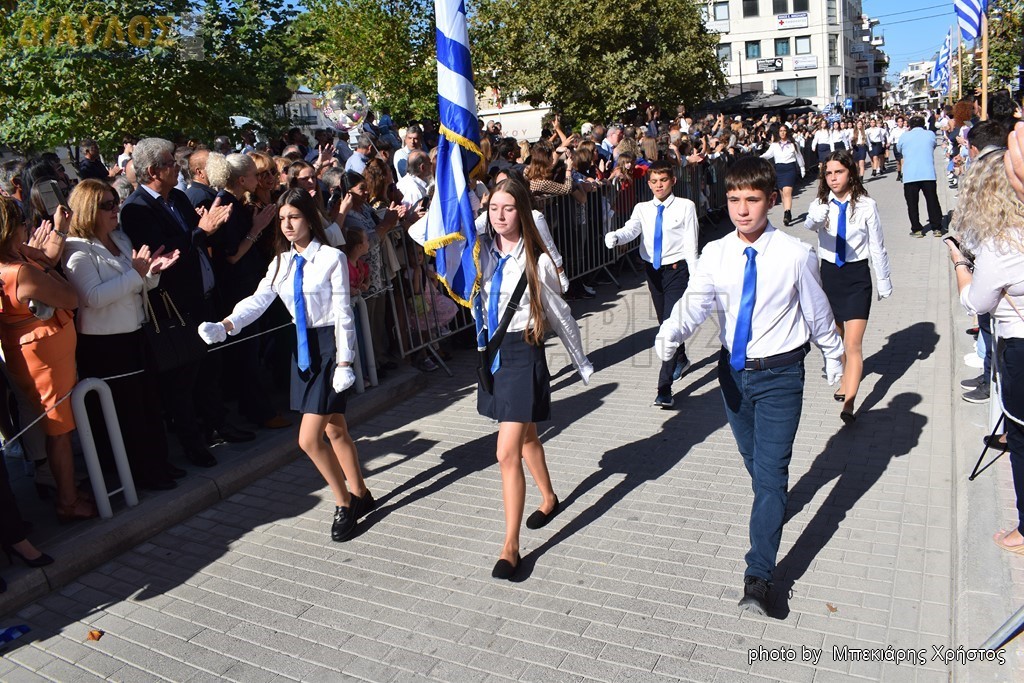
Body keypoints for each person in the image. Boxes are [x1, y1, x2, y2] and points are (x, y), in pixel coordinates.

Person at [655, 156, 844, 615]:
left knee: (772, 474)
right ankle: (771, 506)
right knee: (755, 465)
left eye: (753, 200)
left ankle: (759, 575)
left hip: (781, 375)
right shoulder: (717, 253)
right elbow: (695, 303)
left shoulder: (796, 254)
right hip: (733, 375)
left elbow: (818, 313)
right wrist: (669, 333)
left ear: (768, 199)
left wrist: (834, 356)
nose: (743, 210)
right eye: (735, 200)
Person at [198, 189, 372, 542]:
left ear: (309, 218)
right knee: (334, 429)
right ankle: (362, 494)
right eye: (282, 219)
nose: (287, 224)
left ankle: (344, 503)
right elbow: (257, 302)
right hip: (304, 350)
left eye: (294, 217)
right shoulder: (280, 263)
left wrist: (344, 361)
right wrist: (226, 326)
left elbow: (343, 314)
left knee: (309, 439)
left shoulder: (330, 259)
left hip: (328, 348)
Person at [476, 178, 593, 580]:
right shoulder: (482, 254)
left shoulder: (536, 259)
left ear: (522, 212)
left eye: (508, 208)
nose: (500, 216)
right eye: (493, 209)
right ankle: (549, 497)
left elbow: (560, 312)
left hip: (523, 352)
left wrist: (581, 361)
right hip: (493, 356)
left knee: (505, 452)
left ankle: (510, 547)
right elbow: (426, 235)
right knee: (526, 438)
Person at [119, 137, 250, 469]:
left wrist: (212, 225)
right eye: (170, 163)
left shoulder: (175, 197)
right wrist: (201, 230)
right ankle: (194, 444)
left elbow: (197, 236)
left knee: (210, 368)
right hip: (176, 304)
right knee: (183, 380)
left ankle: (218, 425)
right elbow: (163, 251)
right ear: (152, 171)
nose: (177, 168)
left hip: (203, 294)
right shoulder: (136, 209)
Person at [63, 179, 182, 491]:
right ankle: (140, 475)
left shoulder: (119, 236)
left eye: (115, 200)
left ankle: (157, 465)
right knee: (126, 413)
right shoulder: (76, 250)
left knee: (147, 404)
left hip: (135, 333)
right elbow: (93, 297)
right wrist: (137, 274)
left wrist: (153, 272)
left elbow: (138, 284)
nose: (115, 208)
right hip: (106, 344)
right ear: (88, 210)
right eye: (106, 204)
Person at [945, 146, 1024, 554]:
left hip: (1019, 349)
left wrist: (959, 262)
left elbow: (976, 303)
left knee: (1021, 439)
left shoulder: (1003, 244)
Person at [0, 197, 97, 522]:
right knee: (59, 430)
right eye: (22, 223)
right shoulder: (20, 271)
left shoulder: (16, 259)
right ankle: (67, 502)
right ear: (11, 229)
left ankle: (66, 489)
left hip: (39, 353)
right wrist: (52, 275)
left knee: (59, 427)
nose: (28, 227)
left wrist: (57, 230)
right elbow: (70, 296)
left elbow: (50, 257)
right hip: (43, 360)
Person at [803, 151, 892, 423]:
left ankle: (850, 404)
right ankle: (844, 379)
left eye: (838, 172)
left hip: (856, 277)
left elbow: (877, 245)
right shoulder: (820, 204)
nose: (833, 178)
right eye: (828, 173)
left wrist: (884, 280)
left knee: (853, 344)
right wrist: (815, 217)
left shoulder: (867, 204)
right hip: (829, 276)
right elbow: (809, 226)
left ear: (850, 173)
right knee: (837, 340)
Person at [604, 160, 697, 408]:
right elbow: (631, 230)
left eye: (663, 180)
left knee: (668, 326)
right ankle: (681, 358)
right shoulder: (642, 208)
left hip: (677, 271)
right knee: (666, 322)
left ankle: (664, 388)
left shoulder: (686, 207)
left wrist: (697, 277)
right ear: (648, 183)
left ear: (673, 181)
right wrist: (615, 236)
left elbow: (691, 244)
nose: (659, 185)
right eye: (654, 181)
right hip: (653, 273)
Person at [897, 116, 944, 238]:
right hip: (928, 173)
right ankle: (937, 228)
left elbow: (899, 149)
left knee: (912, 203)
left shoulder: (904, 136)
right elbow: (933, 146)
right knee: (932, 200)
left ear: (910, 125)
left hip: (910, 174)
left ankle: (917, 229)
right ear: (924, 124)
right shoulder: (930, 134)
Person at [759, 125, 805, 226]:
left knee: (787, 192)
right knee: (783, 194)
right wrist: (759, 157)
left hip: (790, 169)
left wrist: (802, 168)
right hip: (779, 169)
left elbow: (799, 156)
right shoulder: (775, 145)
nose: (783, 133)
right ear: (778, 132)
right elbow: (768, 154)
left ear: (787, 132)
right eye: (781, 131)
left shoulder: (793, 144)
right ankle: (787, 210)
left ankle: (787, 214)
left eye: (784, 131)